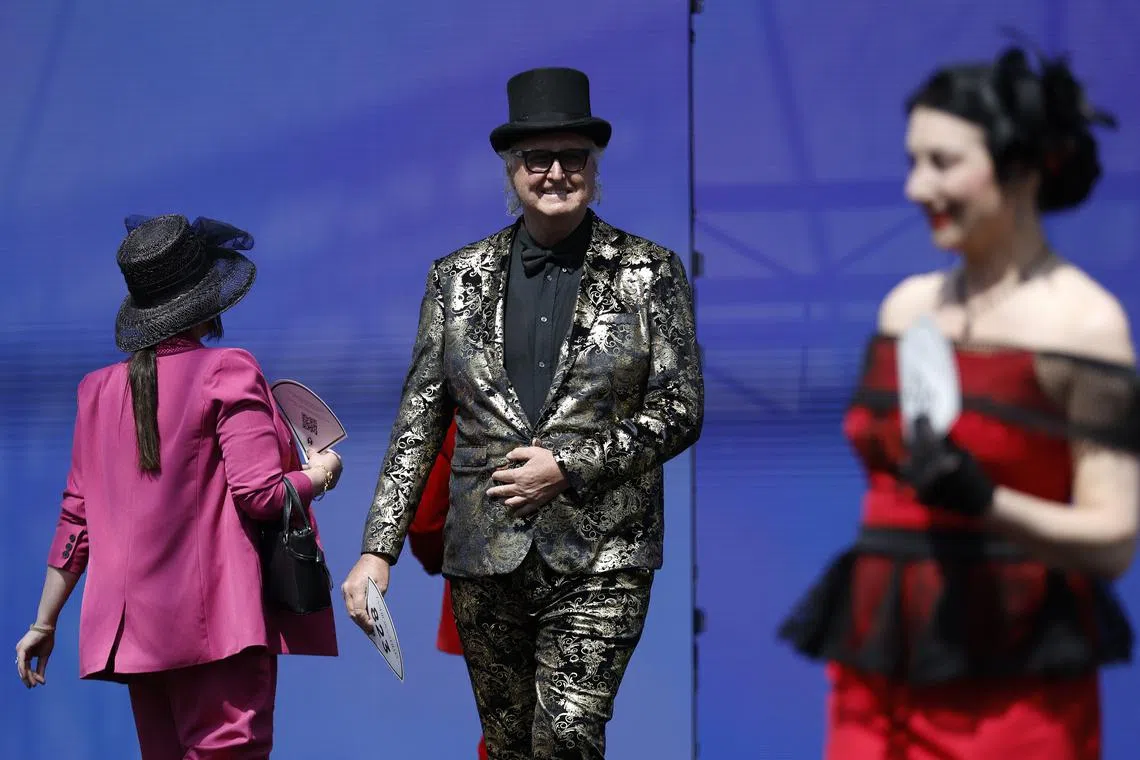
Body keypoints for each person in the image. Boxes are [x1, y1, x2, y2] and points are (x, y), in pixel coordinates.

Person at [778, 46, 1135, 759]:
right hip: (877, 674)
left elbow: (1116, 539)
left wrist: (985, 500)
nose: (916, 187)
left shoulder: (1086, 326)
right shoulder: (905, 309)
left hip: (1011, 693)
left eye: (942, 163)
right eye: (913, 162)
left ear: (1023, 166)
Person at [342, 66, 704, 759]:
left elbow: (680, 407)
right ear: (512, 171)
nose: (556, 172)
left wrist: (568, 466)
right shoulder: (455, 278)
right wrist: (376, 549)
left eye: (574, 158)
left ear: (595, 169)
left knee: (567, 735)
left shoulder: (648, 273)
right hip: (485, 555)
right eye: (539, 159)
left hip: (604, 552)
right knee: (508, 748)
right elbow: (419, 421)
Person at [14, 214, 343, 759]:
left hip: (136, 645)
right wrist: (320, 475)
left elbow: (76, 521)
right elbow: (260, 495)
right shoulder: (228, 370)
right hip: (221, 635)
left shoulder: (95, 392)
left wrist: (43, 622)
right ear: (206, 300)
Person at [406, 412, 489, 760]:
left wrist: (441, 558)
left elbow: (425, 522)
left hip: (486, 587)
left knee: (505, 736)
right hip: (589, 587)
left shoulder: (471, 398)